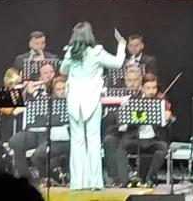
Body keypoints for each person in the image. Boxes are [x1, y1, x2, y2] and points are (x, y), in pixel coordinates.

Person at [60, 22, 126, 190]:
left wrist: (71, 59)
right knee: (93, 139)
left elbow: (63, 71)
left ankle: (77, 183)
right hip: (91, 100)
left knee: (77, 141)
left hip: (74, 101)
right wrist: (121, 45)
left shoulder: (70, 53)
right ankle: (95, 182)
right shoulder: (97, 52)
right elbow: (118, 63)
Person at [116, 74, 171, 186]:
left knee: (163, 148)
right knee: (121, 148)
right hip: (135, 139)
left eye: (154, 88)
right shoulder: (133, 101)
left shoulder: (160, 102)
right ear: (142, 88)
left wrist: (166, 119)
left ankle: (149, 179)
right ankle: (124, 181)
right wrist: (129, 117)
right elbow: (121, 123)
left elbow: (165, 125)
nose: (151, 91)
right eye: (148, 88)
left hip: (152, 140)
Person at [102, 65, 142, 185]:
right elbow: (109, 117)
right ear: (125, 81)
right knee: (109, 140)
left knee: (123, 143)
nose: (132, 84)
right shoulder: (119, 96)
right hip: (120, 130)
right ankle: (115, 178)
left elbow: (142, 117)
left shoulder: (144, 95)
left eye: (135, 80)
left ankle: (124, 179)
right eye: (129, 81)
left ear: (140, 80)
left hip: (136, 132)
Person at [30, 77, 71, 185]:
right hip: (54, 141)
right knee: (36, 157)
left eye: (64, 88)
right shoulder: (49, 104)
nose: (62, 91)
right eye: (58, 89)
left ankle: (66, 178)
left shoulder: (73, 101)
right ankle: (52, 178)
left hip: (71, 141)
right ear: (54, 91)